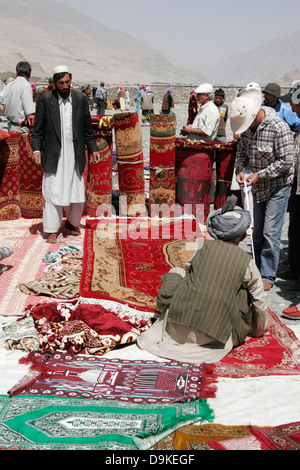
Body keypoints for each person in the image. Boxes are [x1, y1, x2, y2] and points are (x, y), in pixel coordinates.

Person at [137, 196, 268, 364]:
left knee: (178, 272)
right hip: (215, 337)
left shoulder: (201, 247)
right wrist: (257, 331)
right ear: (242, 237)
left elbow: (190, 275)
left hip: (176, 326)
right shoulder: (247, 263)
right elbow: (259, 302)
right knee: (243, 291)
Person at [230, 87, 294, 291]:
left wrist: (260, 175)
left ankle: (268, 275)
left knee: (270, 232)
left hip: (277, 186)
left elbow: (286, 161)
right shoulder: (249, 129)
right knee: (257, 230)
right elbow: (242, 150)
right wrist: (239, 169)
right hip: (258, 186)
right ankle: (256, 269)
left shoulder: (278, 127)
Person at [31, 65, 100, 244]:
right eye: (61, 83)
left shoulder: (80, 99)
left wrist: (93, 149)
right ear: (54, 82)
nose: (65, 86)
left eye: (67, 82)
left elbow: (87, 129)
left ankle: (71, 223)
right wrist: (36, 149)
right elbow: (37, 130)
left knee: (75, 189)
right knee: (53, 190)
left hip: (74, 153)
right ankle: (52, 229)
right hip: (53, 154)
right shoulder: (45, 99)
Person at [277, 81, 300, 292]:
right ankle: (294, 269)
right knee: (295, 229)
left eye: (294, 104)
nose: (291, 109)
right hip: (297, 188)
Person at [0, 61, 35, 133]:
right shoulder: (26, 85)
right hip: (22, 129)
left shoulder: (9, 85)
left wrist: (7, 111)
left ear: (16, 73)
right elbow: (30, 114)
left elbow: (1, 104)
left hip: (10, 127)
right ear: (30, 74)